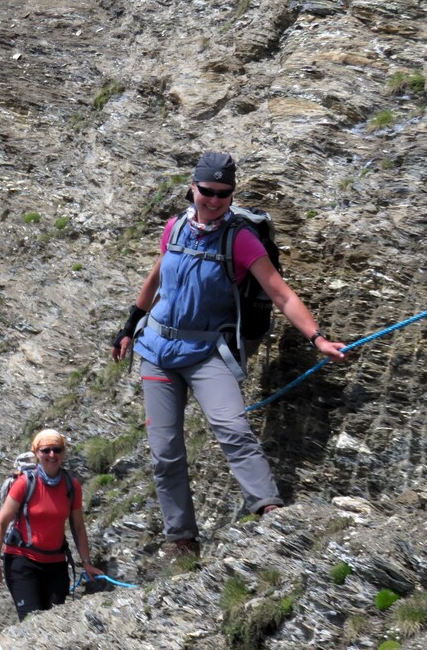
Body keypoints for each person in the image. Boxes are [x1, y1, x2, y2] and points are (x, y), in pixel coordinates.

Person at [111, 151, 346, 557]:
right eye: (207, 191)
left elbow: (280, 292)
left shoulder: (239, 238)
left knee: (233, 430)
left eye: (224, 193)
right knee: (165, 451)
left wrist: (317, 338)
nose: (215, 199)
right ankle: (181, 538)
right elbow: (156, 278)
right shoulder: (175, 229)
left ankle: (268, 509)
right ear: (193, 187)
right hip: (157, 350)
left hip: (206, 353)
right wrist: (129, 326)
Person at [0, 429, 104, 620]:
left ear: (63, 453)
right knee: (31, 622)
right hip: (22, 562)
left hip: (56, 566)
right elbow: (1, 523)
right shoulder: (25, 483)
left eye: (57, 450)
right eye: (46, 450)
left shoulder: (71, 485)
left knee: (54, 622)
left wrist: (87, 562)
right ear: (37, 453)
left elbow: (78, 527)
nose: (52, 455)